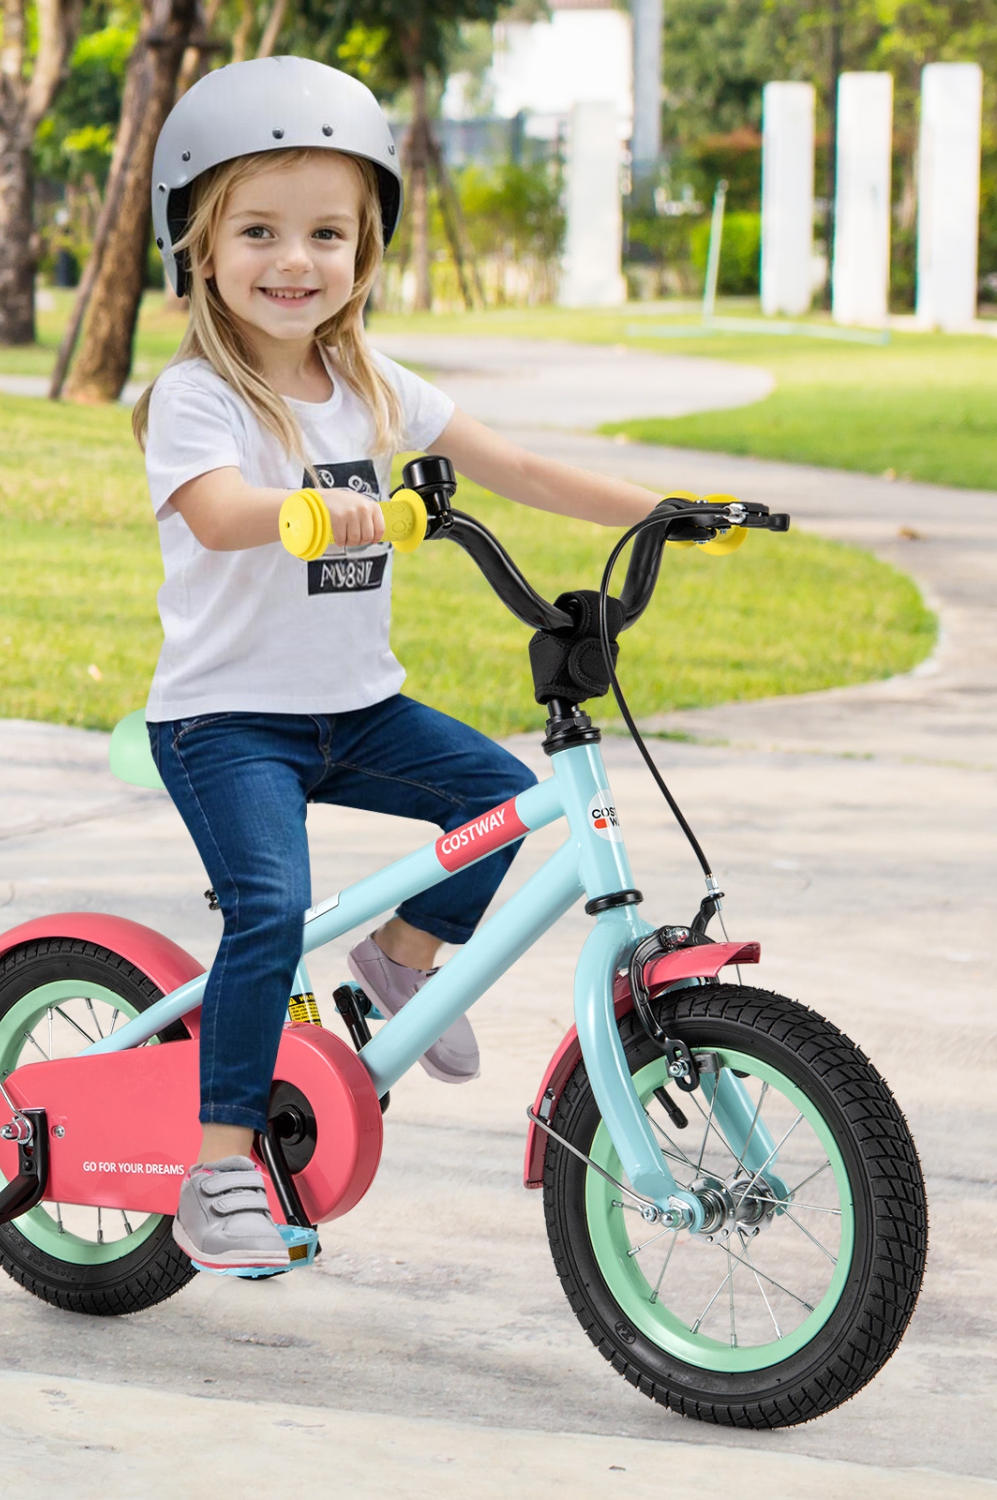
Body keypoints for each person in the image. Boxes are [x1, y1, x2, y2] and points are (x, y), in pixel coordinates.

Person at [133, 56, 663, 1273]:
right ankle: (217, 1169)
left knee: (498, 794)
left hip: (356, 710)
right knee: (267, 906)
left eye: (327, 233)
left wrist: (670, 507)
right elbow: (214, 511)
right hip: (228, 723)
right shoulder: (199, 395)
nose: (295, 260)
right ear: (201, 244)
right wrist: (308, 513)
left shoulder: (372, 384)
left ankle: (401, 961)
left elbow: (518, 467)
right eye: (258, 230)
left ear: (365, 249)